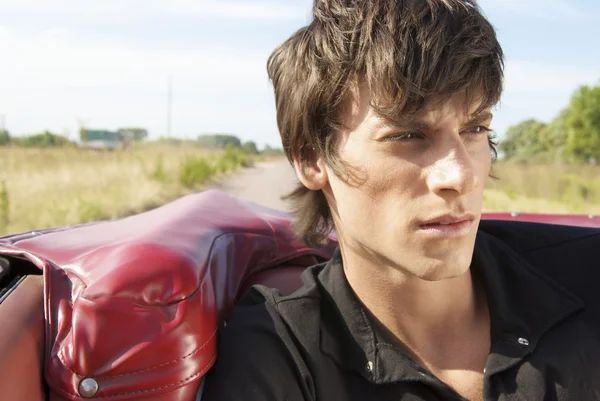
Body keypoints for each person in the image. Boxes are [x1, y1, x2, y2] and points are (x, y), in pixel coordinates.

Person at [202, 1, 600, 400]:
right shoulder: (282, 354)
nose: (461, 175)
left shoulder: (587, 274)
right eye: (407, 135)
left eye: (475, 128)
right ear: (311, 158)